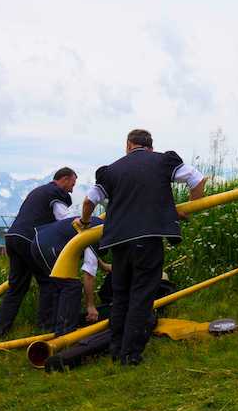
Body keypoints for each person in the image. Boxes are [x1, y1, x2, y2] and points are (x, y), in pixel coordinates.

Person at [78, 129, 206, 365]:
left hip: (118, 242)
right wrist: (188, 209)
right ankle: (131, 355)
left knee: (121, 297)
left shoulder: (111, 170)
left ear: (128, 145)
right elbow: (197, 180)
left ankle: (117, 351)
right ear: (150, 145)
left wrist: (85, 224)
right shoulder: (163, 161)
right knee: (142, 296)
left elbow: (88, 201)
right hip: (149, 239)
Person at [0, 167, 77, 337]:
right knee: (48, 281)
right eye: (72, 184)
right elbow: (64, 218)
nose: (72, 189)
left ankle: (0, 330)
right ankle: (45, 327)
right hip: (29, 240)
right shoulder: (56, 193)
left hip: (13, 237)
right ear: (65, 179)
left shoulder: (38, 191)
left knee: (16, 287)